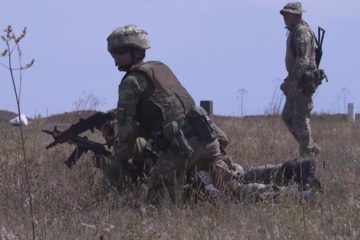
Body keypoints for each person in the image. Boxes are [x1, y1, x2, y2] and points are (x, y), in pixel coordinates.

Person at [104, 24, 321, 205]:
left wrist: (118, 168)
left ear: (134, 50)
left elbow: (126, 132)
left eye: (118, 54)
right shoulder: (159, 68)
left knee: (157, 201)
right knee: (228, 183)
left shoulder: (131, 82)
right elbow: (164, 108)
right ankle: (293, 185)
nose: (115, 60)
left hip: (182, 146)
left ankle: (294, 190)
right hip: (205, 135)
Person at [279, 2, 324, 158]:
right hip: (297, 81)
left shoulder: (302, 32)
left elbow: (303, 61)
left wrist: (291, 81)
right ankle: (311, 148)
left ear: (296, 15)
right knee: (288, 116)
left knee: (300, 120)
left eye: (287, 14)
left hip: (301, 83)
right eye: (284, 14)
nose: (284, 17)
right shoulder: (295, 31)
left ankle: (307, 158)